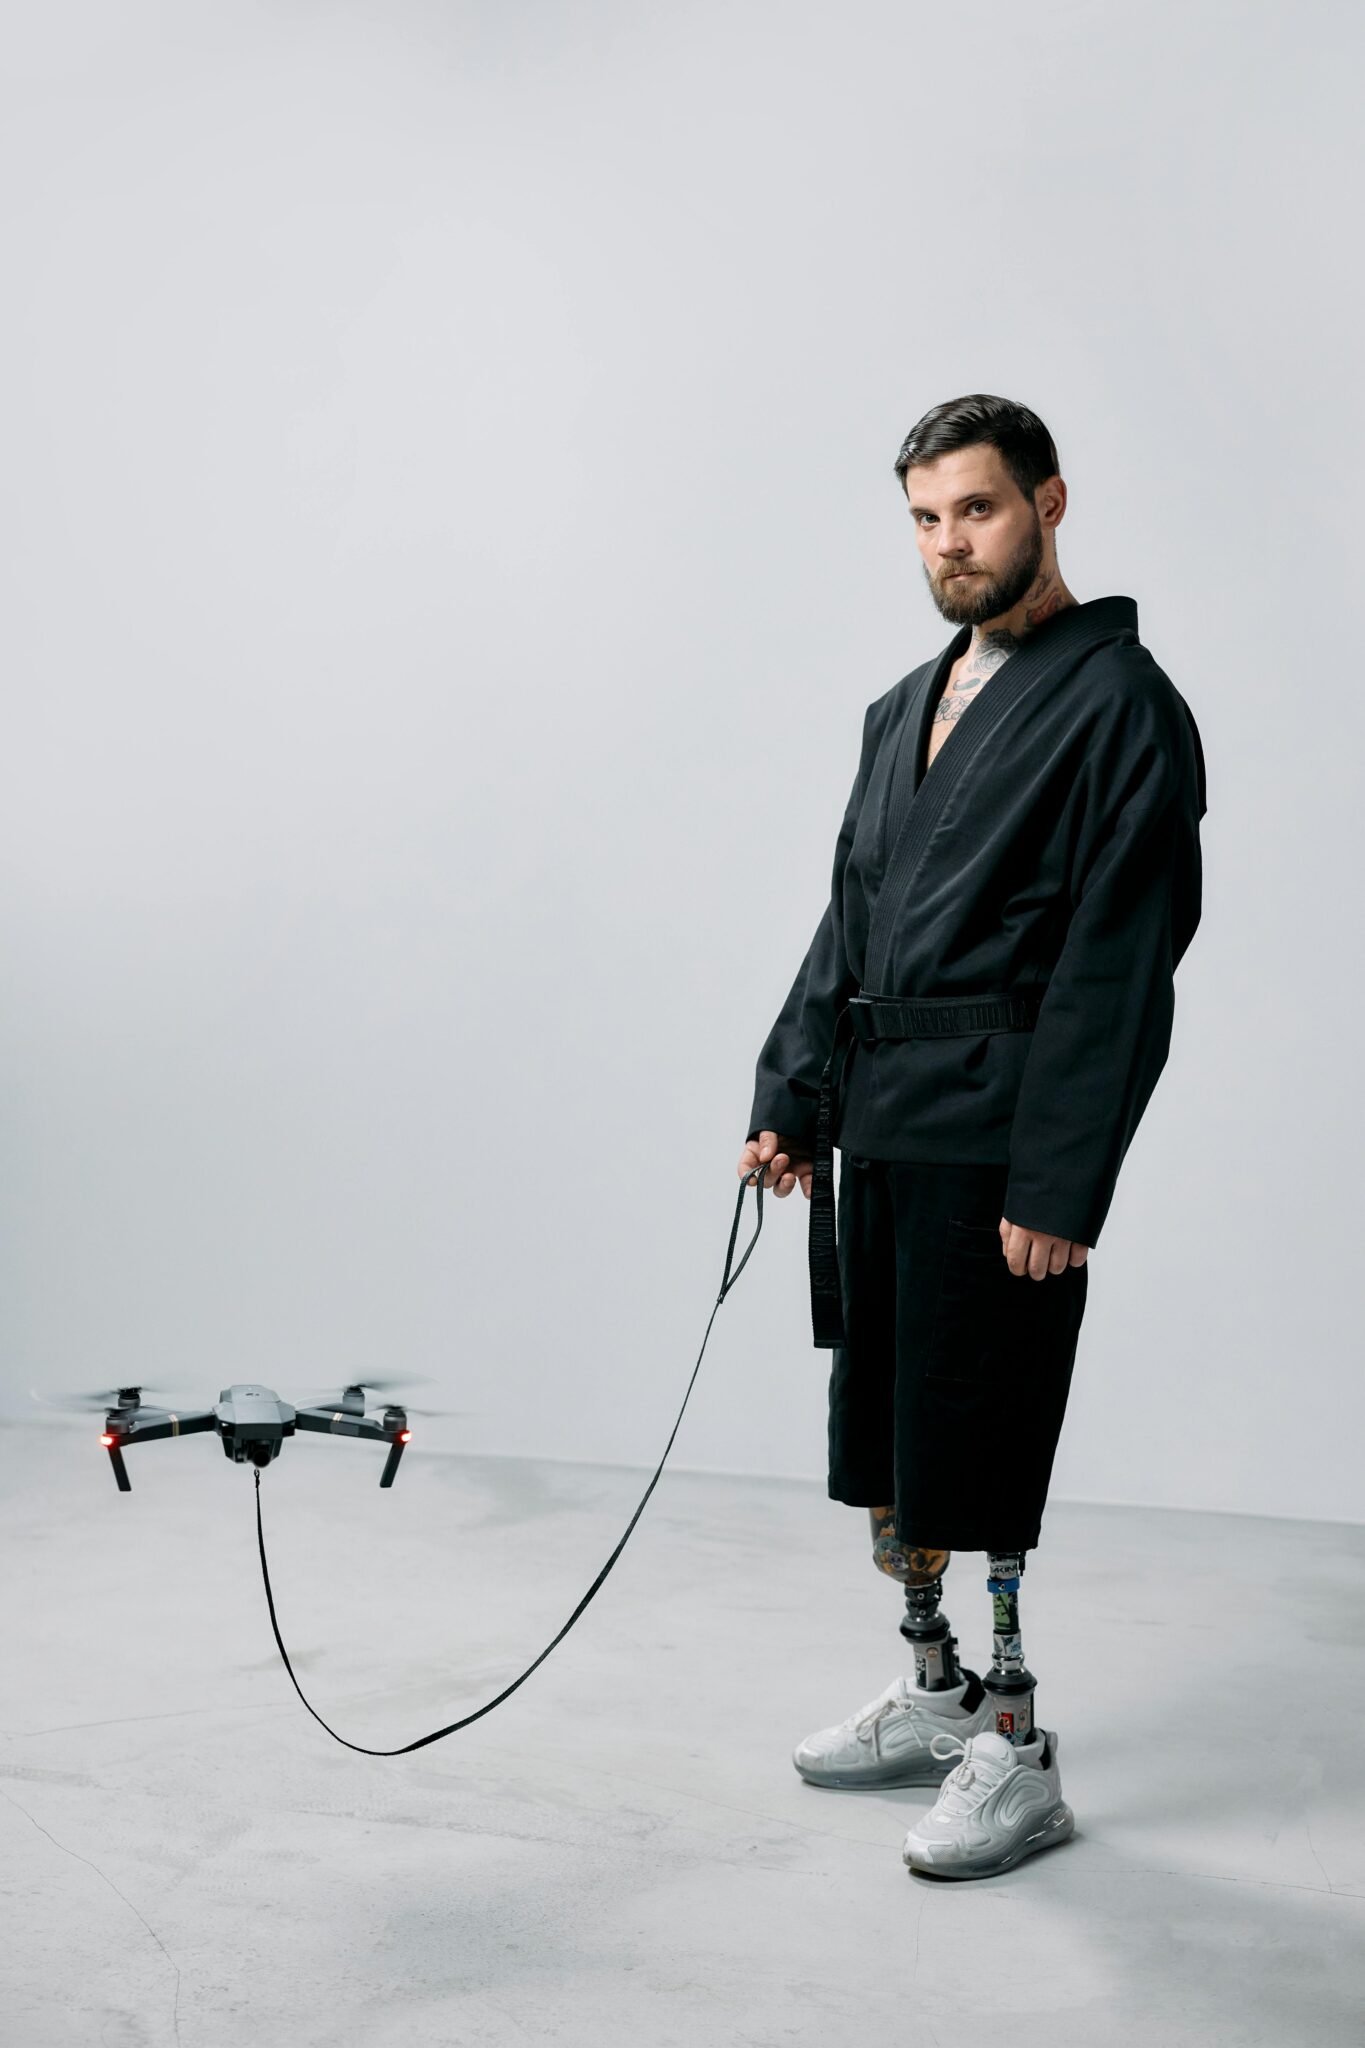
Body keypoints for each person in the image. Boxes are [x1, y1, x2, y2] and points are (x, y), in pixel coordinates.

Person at [736, 393, 1207, 1881]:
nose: (950, 544)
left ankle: (1015, 1742)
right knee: (887, 1436)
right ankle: (936, 1691)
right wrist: (789, 1095)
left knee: (979, 1437)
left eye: (977, 511)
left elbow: (1119, 960)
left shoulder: (1120, 703)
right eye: (927, 520)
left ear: (1049, 504)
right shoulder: (903, 705)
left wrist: (1059, 1177)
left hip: (997, 1145)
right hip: (879, 1124)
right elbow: (849, 920)